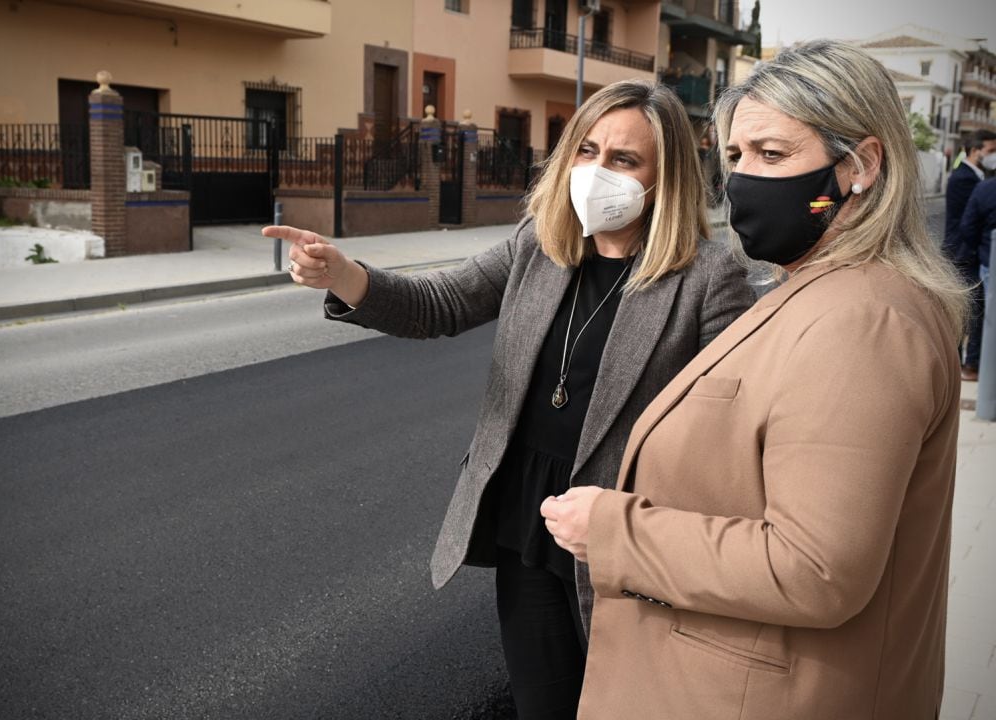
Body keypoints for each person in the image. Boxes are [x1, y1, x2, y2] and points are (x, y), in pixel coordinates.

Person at [262, 79, 754, 719]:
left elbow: (728, 433)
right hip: (530, 514)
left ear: (665, 180)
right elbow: (440, 303)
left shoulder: (709, 278)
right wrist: (344, 276)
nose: (595, 171)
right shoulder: (539, 246)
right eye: (586, 149)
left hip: (619, 533)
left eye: (623, 159)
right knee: (542, 703)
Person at [542, 40, 968, 718]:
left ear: (860, 165)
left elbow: (816, 569)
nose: (743, 180)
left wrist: (616, 532)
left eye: (772, 155)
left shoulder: (862, 324)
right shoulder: (819, 290)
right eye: (736, 157)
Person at [945, 128, 996, 380]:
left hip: (970, 252)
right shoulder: (964, 178)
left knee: (972, 312)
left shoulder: (976, 177)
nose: (993, 156)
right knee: (966, 313)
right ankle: (961, 365)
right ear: (976, 151)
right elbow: (969, 222)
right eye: (990, 150)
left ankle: (965, 364)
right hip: (962, 253)